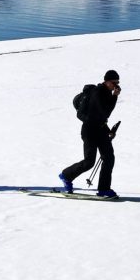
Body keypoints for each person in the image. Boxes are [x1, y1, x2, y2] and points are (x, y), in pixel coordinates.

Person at [59, 69, 121, 198]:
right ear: (107, 81)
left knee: (109, 158)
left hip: (100, 129)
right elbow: (105, 112)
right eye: (114, 82)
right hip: (89, 131)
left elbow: (101, 117)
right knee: (89, 162)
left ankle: (104, 189)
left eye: (118, 82)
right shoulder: (97, 93)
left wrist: (108, 130)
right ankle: (66, 175)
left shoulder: (106, 93)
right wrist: (115, 96)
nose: (116, 85)